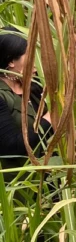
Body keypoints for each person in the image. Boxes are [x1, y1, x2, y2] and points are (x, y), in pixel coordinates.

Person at [0, 28, 53, 169]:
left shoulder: (35, 85)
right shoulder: (2, 96)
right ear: (11, 61)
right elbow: (11, 146)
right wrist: (51, 117)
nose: (37, 61)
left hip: (49, 176)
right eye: (30, 55)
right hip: (20, 184)